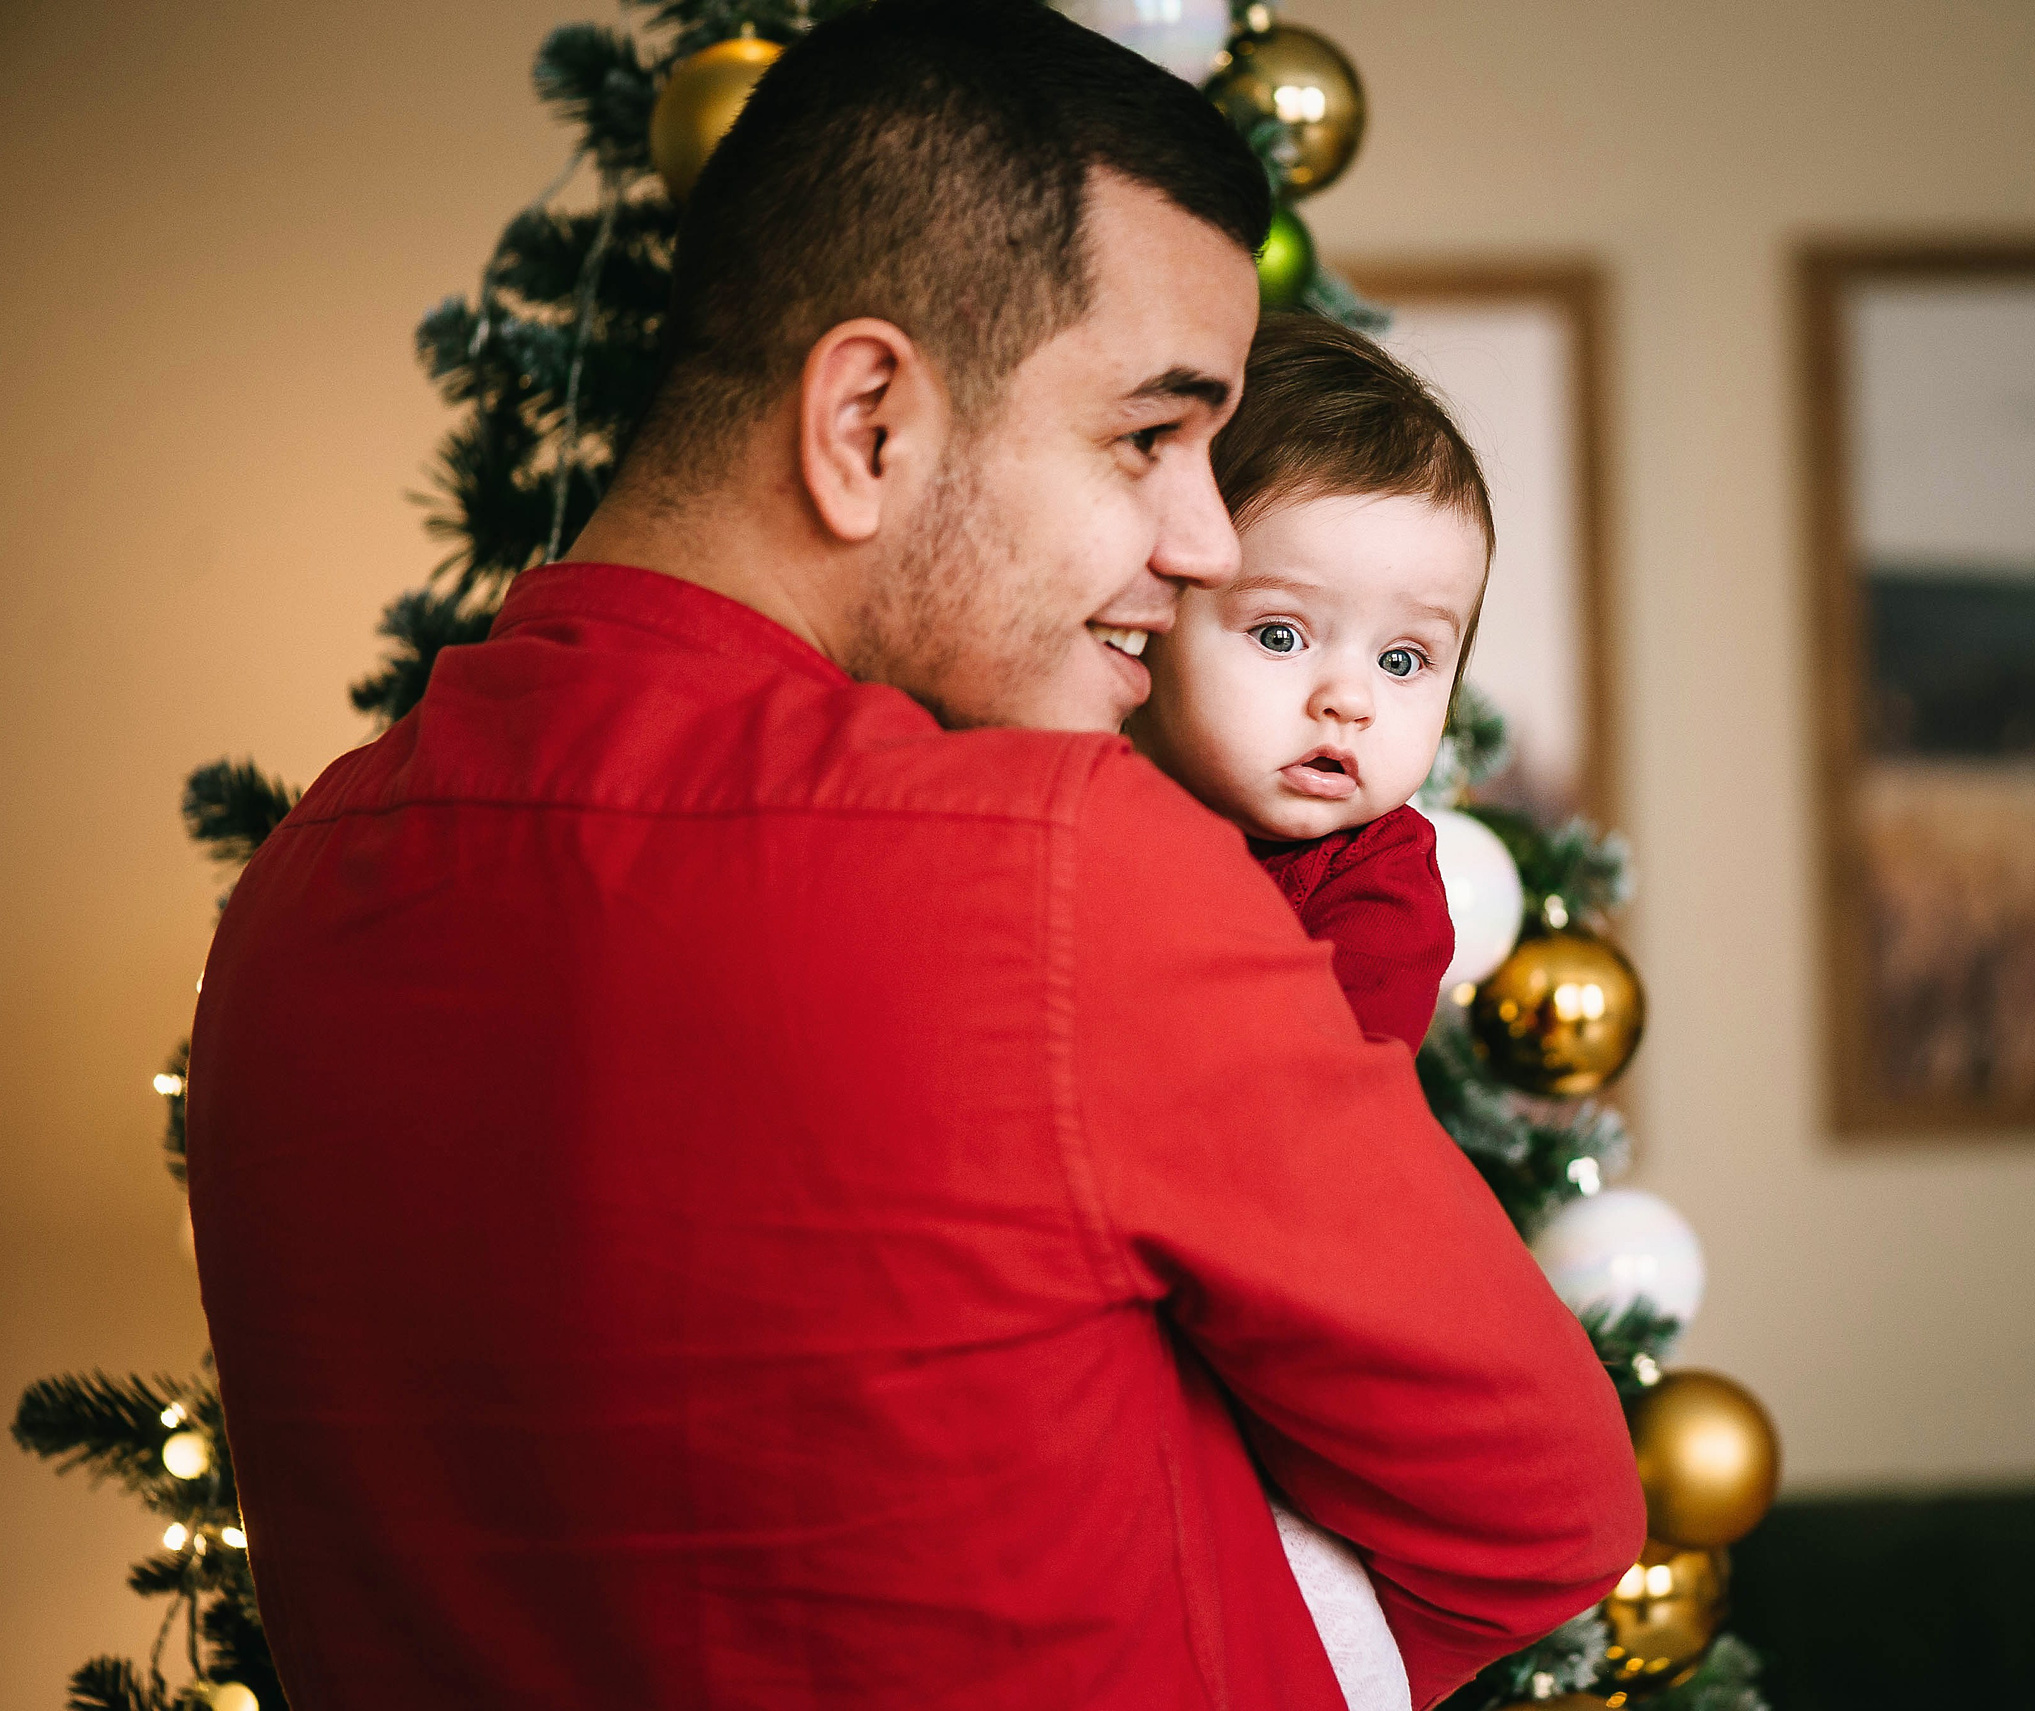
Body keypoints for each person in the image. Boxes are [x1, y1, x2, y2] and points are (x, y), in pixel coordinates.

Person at [184, 4, 1645, 1708]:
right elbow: (1547, 1506)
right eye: (1148, 438)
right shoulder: (1053, 870)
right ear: (867, 417)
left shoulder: (295, 892)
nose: (1201, 539)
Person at [1130, 314, 1498, 1710]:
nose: (1347, 696)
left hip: (1297, 1288)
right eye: (1281, 633)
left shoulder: (1379, 877)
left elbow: (1315, 1102)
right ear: (1155, 610)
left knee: (1297, 1573)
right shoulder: (1087, 802)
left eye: (1409, 661)